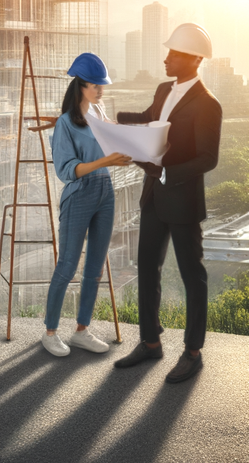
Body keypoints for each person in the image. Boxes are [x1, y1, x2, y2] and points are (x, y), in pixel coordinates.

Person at [114, 23, 221, 383]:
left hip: (182, 199)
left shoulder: (208, 104)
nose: (166, 58)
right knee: (147, 268)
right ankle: (150, 342)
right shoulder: (164, 89)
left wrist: (165, 174)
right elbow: (149, 118)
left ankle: (193, 353)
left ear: (195, 59)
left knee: (193, 276)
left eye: (174, 54)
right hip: (153, 196)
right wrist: (109, 119)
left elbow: (208, 158)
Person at [41, 53, 131, 357]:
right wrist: (107, 161)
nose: (100, 90)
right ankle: (50, 333)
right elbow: (67, 170)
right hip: (79, 194)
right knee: (67, 266)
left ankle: (81, 331)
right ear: (80, 85)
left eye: (102, 85)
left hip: (106, 192)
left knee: (94, 269)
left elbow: (110, 139)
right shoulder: (65, 124)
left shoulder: (99, 112)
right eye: (95, 85)